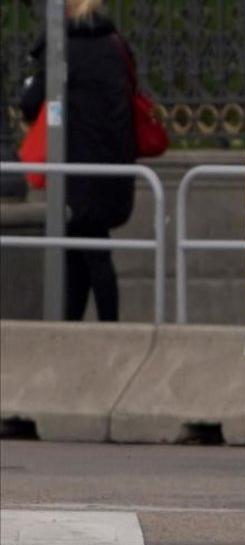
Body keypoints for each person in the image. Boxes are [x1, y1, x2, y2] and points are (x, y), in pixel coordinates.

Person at [19, 0, 136, 322]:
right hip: (115, 162)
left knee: (92, 251)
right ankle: (73, 328)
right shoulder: (115, 43)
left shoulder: (62, 46)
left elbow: (29, 102)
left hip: (78, 165)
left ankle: (108, 329)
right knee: (79, 250)